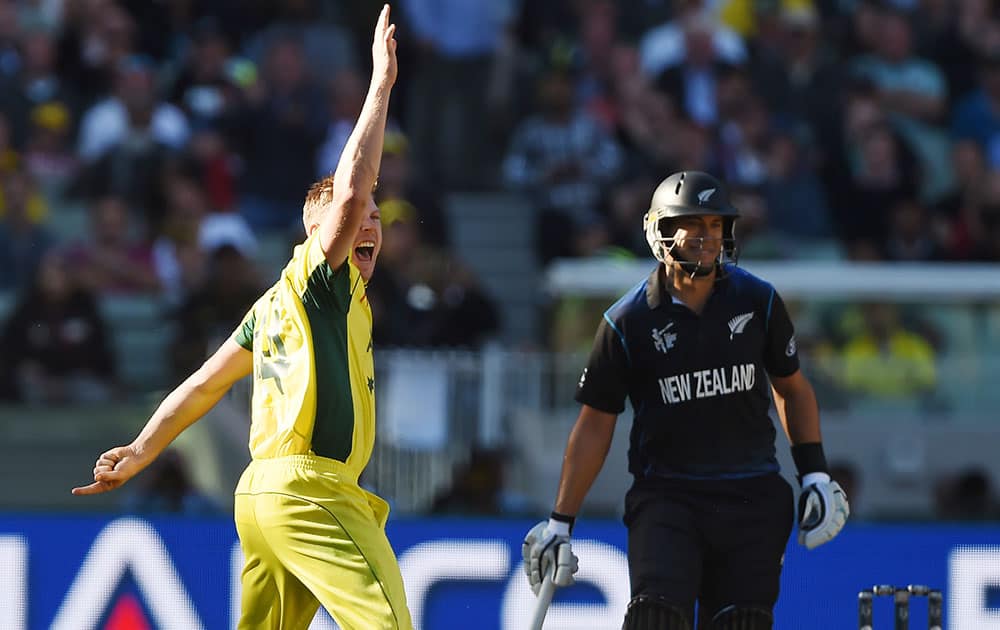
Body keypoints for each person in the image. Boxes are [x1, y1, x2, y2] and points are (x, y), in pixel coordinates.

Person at [72, 7, 413, 629]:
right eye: (351, 215)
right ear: (317, 233)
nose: (367, 221)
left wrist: (143, 449)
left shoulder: (272, 306)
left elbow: (205, 384)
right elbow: (355, 187)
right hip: (313, 491)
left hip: (260, 498)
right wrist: (380, 85)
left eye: (375, 218)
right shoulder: (319, 281)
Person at [522, 171, 850, 630]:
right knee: (654, 619)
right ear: (659, 231)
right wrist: (561, 520)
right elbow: (595, 423)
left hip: (751, 496)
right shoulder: (626, 321)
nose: (707, 237)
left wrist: (814, 473)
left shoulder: (759, 301)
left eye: (716, 225)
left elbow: (791, 388)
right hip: (667, 497)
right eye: (692, 225)